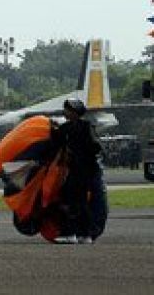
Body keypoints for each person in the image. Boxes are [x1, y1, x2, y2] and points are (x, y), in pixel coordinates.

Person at [51, 98, 104, 244]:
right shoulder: (76, 127)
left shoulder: (74, 128)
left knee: (67, 200)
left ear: (74, 112)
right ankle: (85, 234)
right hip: (83, 170)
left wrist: (79, 152)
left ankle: (69, 233)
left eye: (68, 109)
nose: (65, 111)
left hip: (80, 171)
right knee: (81, 202)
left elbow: (95, 146)